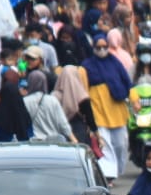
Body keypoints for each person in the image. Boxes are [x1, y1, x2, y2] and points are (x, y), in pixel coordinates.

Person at [82, 31, 133, 184]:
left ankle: (117, 170)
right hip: (98, 109)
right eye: (99, 47)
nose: (102, 50)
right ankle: (108, 176)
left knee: (121, 143)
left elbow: (126, 82)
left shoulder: (115, 62)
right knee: (105, 144)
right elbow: (84, 87)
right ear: (93, 48)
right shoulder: (87, 66)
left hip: (117, 109)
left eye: (105, 46)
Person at [24, 71, 75, 142]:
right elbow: (63, 124)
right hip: (52, 144)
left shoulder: (24, 101)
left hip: (32, 143)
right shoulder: (52, 100)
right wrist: (74, 141)